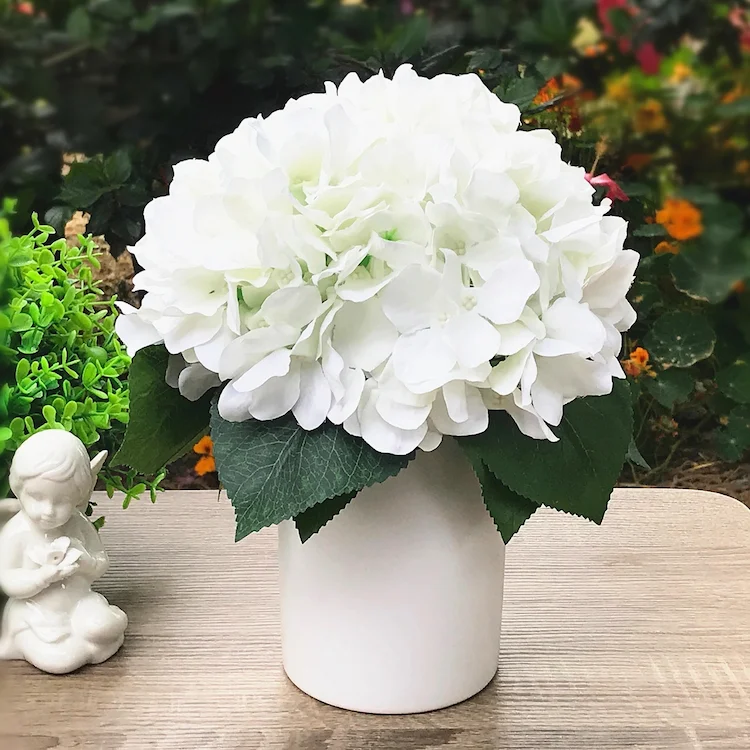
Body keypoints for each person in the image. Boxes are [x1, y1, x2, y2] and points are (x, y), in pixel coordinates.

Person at [0, 430, 127, 674]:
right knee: (61, 661)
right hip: (34, 614)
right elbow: (7, 579)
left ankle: (103, 630)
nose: (48, 510)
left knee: (101, 626)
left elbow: (101, 563)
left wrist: (85, 562)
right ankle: (88, 645)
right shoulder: (17, 531)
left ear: (78, 496)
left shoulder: (78, 523)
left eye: (61, 501)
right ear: (18, 488)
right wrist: (42, 577)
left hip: (79, 603)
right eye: (37, 497)